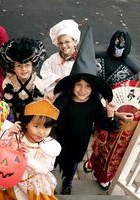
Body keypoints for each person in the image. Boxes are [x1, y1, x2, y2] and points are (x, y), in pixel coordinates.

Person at [53, 26, 119, 195]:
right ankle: (46, 177)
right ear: (72, 85)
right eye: (78, 85)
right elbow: (51, 119)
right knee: (53, 159)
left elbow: (108, 126)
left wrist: (110, 114)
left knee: (73, 163)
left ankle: (68, 182)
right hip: (60, 138)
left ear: (93, 88)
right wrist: (50, 109)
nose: (82, 90)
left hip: (80, 141)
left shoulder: (94, 105)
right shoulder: (63, 100)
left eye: (87, 86)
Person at [83, 30, 140, 190]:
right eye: (116, 43)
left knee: (114, 155)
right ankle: (92, 161)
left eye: (122, 45)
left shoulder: (131, 70)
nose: (118, 48)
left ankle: (103, 175)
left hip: (125, 130)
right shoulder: (128, 86)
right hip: (102, 107)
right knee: (100, 144)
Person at [0, 99, 61, 200]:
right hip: (11, 181)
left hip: (32, 186)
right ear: (26, 124)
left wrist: (26, 158)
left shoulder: (49, 146)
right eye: (36, 126)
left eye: (47, 127)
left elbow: (45, 169)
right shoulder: (16, 135)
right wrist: (8, 133)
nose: (41, 132)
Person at [0, 37, 46, 121]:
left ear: (33, 66)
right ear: (13, 68)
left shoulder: (38, 84)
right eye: (19, 66)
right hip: (13, 120)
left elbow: (39, 109)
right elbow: (7, 108)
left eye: (27, 65)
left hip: (32, 120)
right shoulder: (8, 83)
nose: (23, 69)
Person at [40, 19, 81, 100]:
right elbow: (45, 73)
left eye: (67, 42)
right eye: (60, 43)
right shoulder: (53, 59)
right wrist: (57, 79)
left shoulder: (81, 60)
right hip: (55, 95)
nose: (64, 46)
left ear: (74, 41)